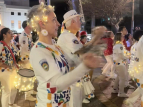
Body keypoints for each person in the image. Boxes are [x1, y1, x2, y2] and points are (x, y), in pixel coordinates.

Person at [28, 3, 102, 107]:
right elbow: (58, 82)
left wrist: (84, 59)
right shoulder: (38, 51)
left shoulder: (55, 46)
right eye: (54, 20)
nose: (58, 24)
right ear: (42, 24)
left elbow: (69, 63)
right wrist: (85, 66)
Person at [57, 10, 106, 106]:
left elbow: (82, 50)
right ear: (73, 22)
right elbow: (82, 51)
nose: (81, 22)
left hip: (73, 78)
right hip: (72, 80)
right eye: (78, 20)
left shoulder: (69, 36)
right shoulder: (67, 36)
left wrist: (95, 40)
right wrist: (96, 38)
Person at [0, 28, 21, 107]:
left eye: (12, 32)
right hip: (4, 71)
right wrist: (7, 65)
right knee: (6, 91)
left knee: (14, 88)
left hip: (13, 70)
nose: (12, 34)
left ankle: (11, 104)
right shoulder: (1, 45)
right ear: (4, 35)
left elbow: (15, 56)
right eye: (9, 32)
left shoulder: (12, 45)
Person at [19, 21, 36, 101]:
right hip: (26, 59)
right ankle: (27, 95)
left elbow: (30, 45)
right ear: (26, 27)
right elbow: (25, 49)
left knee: (32, 75)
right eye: (30, 24)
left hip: (30, 57)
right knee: (28, 76)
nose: (31, 26)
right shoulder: (23, 36)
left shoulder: (29, 35)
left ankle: (30, 90)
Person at [125, 30, 143, 106]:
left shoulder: (134, 46)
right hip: (139, 72)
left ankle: (130, 101)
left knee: (141, 88)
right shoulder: (140, 45)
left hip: (134, 71)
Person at [112, 33, 129, 97]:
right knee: (122, 78)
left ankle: (115, 89)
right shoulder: (120, 46)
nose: (123, 36)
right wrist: (127, 57)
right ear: (119, 37)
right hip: (120, 64)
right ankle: (121, 92)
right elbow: (121, 55)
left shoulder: (116, 45)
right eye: (122, 36)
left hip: (117, 63)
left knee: (118, 77)